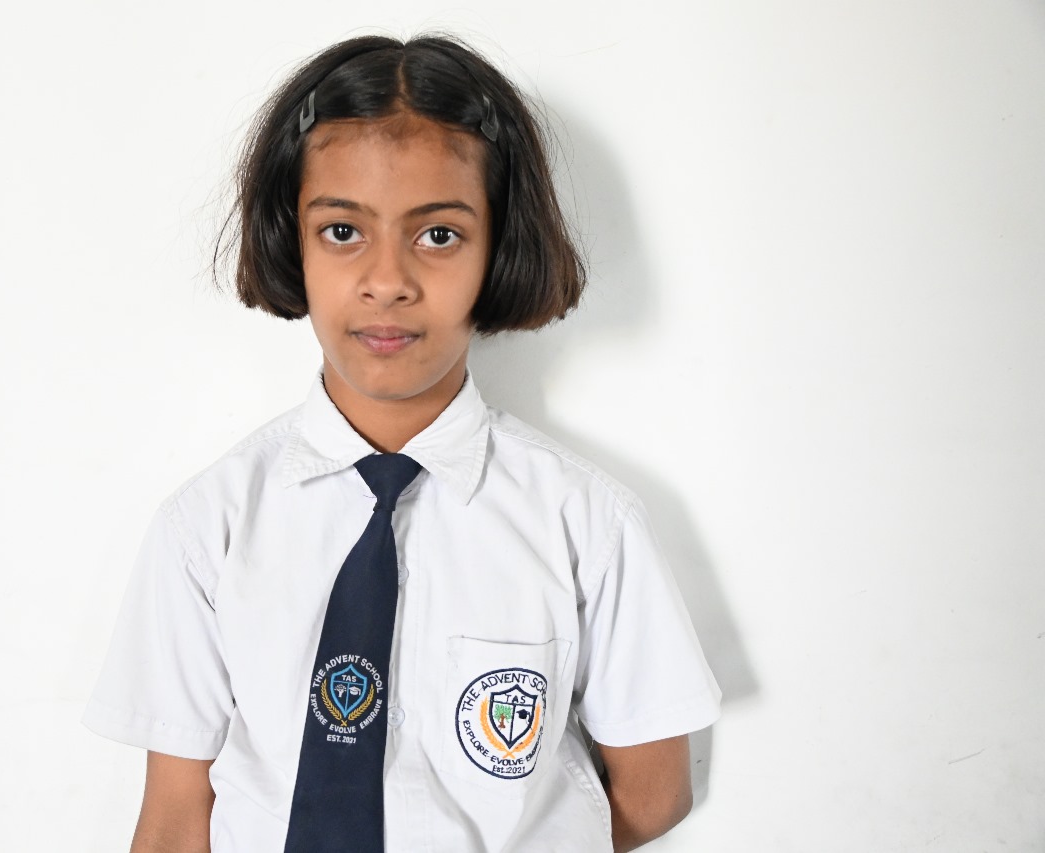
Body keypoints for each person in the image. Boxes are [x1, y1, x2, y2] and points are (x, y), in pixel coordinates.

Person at [84, 33, 721, 853]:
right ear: (292, 239)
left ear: (499, 247)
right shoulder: (209, 526)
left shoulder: (585, 523)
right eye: (342, 231)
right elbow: (175, 821)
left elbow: (654, 789)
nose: (387, 281)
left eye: (439, 235)